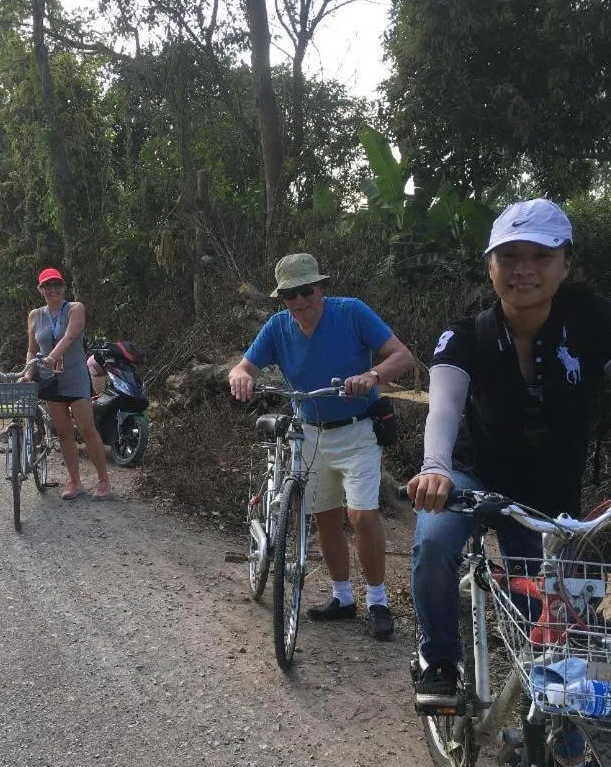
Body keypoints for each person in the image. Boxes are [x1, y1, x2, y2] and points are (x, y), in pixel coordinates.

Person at [407, 199, 611, 709]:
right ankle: (439, 659)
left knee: (547, 625)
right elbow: (444, 409)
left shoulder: (596, 321)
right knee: (433, 544)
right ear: (490, 266)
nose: (524, 270)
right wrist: (435, 469)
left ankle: (552, 720)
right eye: (509, 256)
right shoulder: (466, 333)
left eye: (541, 256)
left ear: (566, 262)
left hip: (548, 491)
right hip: (472, 478)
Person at [229, 253, 416, 640]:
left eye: (306, 291)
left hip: (357, 429)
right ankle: (343, 598)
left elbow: (402, 356)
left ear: (320, 287)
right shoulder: (278, 327)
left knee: (362, 515)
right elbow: (244, 365)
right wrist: (241, 377)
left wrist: (372, 375)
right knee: (325, 516)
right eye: (289, 296)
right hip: (309, 433)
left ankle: (378, 601)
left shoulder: (352, 312)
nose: (299, 302)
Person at [23, 268, 113, 501]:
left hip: (74, 377)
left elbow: (70, 336)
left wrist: (52, 356)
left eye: (57, 284)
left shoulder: (75, 308)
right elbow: (33, 349)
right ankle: (75, 481)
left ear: (64, 286)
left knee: (86, 428)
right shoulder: (35, 315)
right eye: (47, 286)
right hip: (50, 380)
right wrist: (28, 371)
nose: (52, 289)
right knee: (63, 432)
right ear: (40, 289)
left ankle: (104, 481)